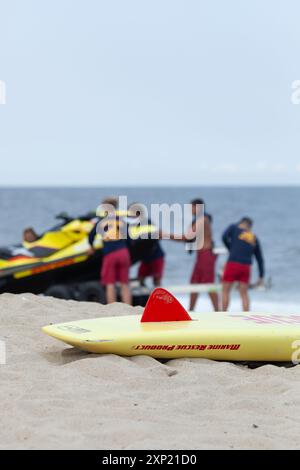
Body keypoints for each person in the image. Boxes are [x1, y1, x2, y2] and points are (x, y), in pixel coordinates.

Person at [165, 198, 219, 311]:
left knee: (209, 285)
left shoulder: (202, 219)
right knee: (194, 283)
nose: (190, 210)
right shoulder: (200, 219)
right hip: (201, 255)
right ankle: (191, 310)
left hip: (206, 255)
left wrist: (164, 235)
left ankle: (218, 311)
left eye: (191, 207)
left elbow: (187, 237)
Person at [88, 199, 131, 305]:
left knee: (110, 283)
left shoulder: (101, 222)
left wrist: (91, 247)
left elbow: (91, 236)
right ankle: (128, 307)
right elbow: (130, 239)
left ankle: (112, 307)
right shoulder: (121, 221)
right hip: (123, 252)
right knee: (124, 283)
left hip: (110, 254)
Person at [222, 217, 264, 311]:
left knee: (225, 291)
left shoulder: (233, 227)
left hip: (233, 263)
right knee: (244, 293)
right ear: (250, 227)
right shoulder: (253, 237)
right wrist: (261, 276)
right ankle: (246, 316)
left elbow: (224, 237)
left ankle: (223, 315)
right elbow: (259, 259)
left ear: (240, 223)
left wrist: (230, 249)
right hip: (246, 267)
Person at [128, 202, 165, 287]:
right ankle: (145, 297)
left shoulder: (147, 222)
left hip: (156, 256)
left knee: (156, 280)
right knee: (140, 278)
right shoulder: (131, 224)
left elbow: (158, 235)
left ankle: (158, 298)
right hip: (145, 257)